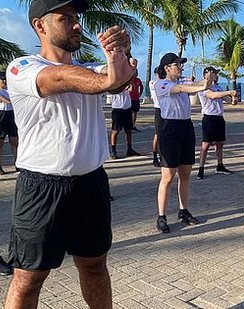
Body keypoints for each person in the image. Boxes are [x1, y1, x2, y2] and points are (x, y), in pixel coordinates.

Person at [4, 0, 135, 307]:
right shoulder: (22, 67)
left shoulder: (90, 69)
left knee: (94, 267)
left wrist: (121, 54)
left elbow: (119, 81)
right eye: (66, 18)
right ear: (40, 26)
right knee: (27, 278)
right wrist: (109, 79)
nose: (77, 24)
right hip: (40, 188)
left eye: (77, 18)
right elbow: (60, 79)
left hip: (91, 183)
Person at [154, 53, 214, 233]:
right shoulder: (161, 84)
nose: (180, 67)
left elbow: (193, 86)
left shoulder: (184, 83)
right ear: (167, 68)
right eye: (177, 64)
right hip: (169, 130)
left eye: (181, 64)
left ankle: (183, 210)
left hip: (185, 127)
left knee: (185, 173)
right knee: (168, 176)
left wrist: (206, 83)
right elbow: (181, 89)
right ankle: (162, 216)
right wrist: (203, 84)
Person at [196, 67, 237, 180]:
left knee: (220, 143)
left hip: (219, 117)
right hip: (209, 118)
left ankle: (220, 165)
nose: (216, 75)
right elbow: (212, 95)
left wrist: (233, 99)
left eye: (216, 73)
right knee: (206, 144)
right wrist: (228, 92)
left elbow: (228, 100)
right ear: (206, 74)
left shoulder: (218, 88)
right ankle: (201, 169)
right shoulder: (203, 88)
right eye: (214, 73)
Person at [108, 87, 140, 159]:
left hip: (127, 109)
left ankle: (129, 149)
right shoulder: (115, 84)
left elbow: (131, 89)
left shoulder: (127, 82)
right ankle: (113, 151)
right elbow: (111, 90)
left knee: (128, 131)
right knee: (115, 131)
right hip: (117, 109)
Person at [0, 71, 18, 175]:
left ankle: (17, 164)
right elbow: (3, 99)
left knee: (14, 141)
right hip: (1, 115)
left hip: (11, 114)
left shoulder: (10, 90)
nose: (4, 82)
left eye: (5, 80)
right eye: (2, 80)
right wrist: (11, 101)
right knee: (1, 142)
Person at [150, 66, 162, 167]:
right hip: (158, 108)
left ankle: (162, 156)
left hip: (165, 109)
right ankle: (155, 157)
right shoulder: (153, 83)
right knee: (157, 134)